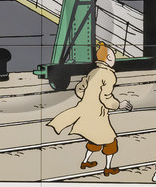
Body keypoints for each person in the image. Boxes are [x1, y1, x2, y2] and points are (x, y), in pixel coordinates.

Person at [49, 42, 133, 176]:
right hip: (98, 114)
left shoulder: (93, 72)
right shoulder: (109, 75)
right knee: (111, 141)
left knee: (94, 139)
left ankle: (85, 162)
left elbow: (80, 88)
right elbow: (106, 97)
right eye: (113, 56)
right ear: (109, 58)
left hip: (87, 110)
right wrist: (119, 105)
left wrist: (88, 99)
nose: (114, 58)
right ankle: (107, 168)